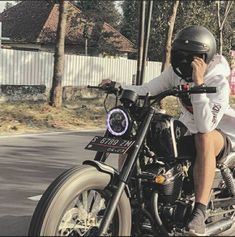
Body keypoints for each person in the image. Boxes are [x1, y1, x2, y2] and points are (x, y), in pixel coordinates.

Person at [100, 25, 235, 235]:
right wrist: (119, 87)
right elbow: (146, 90)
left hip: (222, 132)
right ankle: (129, 198)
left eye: (192, 57)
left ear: (205, 56)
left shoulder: (217, 80)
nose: (185, 61)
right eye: (180, 54)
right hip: (190, 128)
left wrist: (198, 84)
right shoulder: (176, 72)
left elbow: (206, 125)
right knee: (144, 131)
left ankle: (199, 211)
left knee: (204, 138)